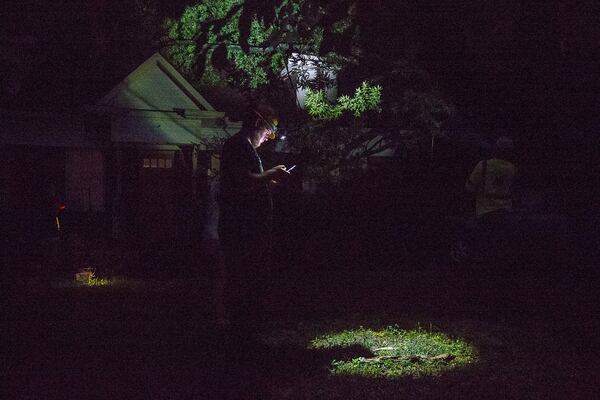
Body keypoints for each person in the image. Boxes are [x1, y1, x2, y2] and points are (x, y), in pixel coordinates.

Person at [218, 103, 289, 330]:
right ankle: (240, 329)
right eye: (268, 131)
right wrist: (268, 175)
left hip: (252, 228)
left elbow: (250, 184)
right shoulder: (236, 146)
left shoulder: (248, 149)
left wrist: (268, 182)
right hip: (241, 229)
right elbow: (241, 180)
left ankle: (249, 326)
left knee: (253, 277)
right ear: (257, 123)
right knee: (241, 277)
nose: (269, 137)